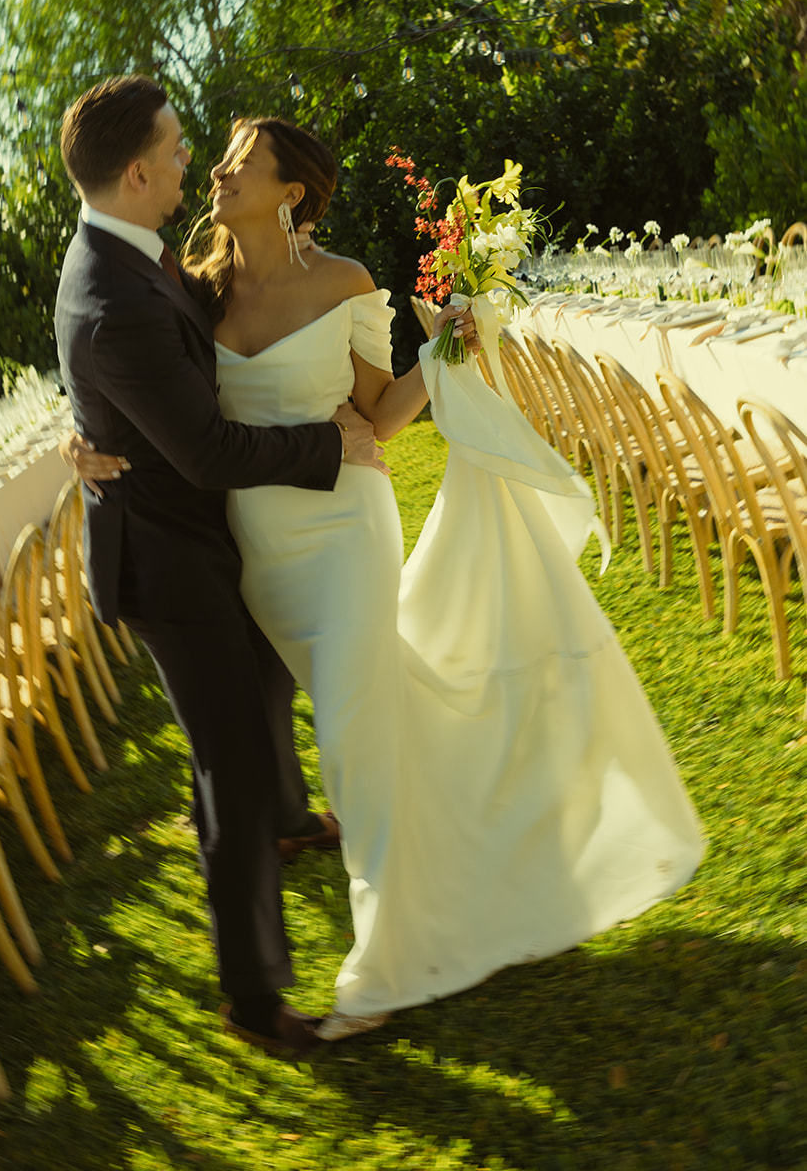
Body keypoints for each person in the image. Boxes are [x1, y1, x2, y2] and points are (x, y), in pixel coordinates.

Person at [70, 110, 705, 1044]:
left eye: (241, 160)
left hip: (345, 528)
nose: (214, 170)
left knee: (355, 737)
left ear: (291, 192)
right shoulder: (191, 287)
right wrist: (78, 439)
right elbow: (121, 364)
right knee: (382, 716)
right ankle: (485, 850)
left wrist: (447, 345)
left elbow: (381, 412)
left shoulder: (345, 282)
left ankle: (385, 965)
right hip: (258, 548)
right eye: (215, 158)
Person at [54, 74, 392, 1058]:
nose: (188, 162)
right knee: (229, 765)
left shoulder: (133, 254)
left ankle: (290, 821)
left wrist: (84, 430)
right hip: (167, 561)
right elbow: (202, 450)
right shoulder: (116, 289)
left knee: (269, 673)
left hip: (207, 535)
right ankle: (252, 996)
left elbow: (136, 378)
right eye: (171, 147)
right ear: (132, 171)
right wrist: (329, 447)